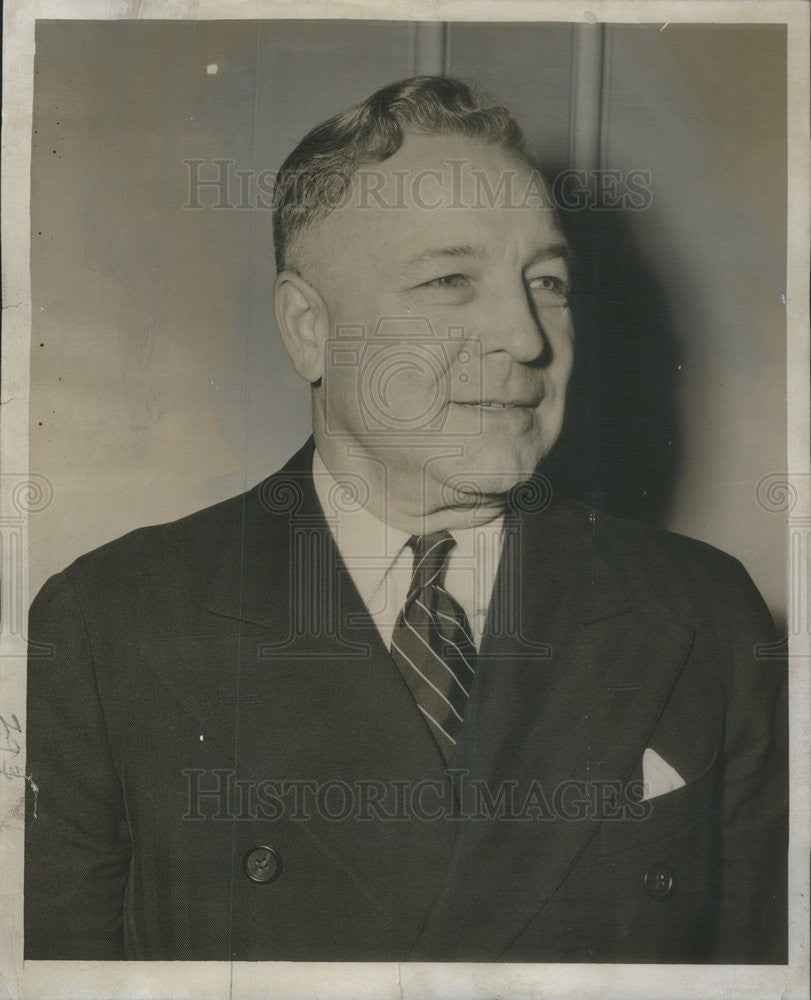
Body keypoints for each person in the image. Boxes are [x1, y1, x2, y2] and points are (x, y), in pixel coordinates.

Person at [25, 76, 787, 963]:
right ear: (308, 328)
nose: (526, 337)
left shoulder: (703, 617)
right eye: (449, 280)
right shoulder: (112, 625)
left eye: (547, 280)